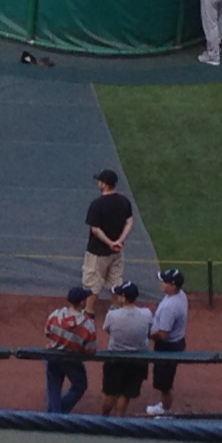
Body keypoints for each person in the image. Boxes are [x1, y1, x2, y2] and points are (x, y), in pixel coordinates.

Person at [98, 281, 153, 417]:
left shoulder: (112, 315)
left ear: (123, 297)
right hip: (137, 360)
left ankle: (103, 419)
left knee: (110, 392)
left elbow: (107, 329)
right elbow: (149, 330)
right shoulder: (146, 313)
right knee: (124, 394)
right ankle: (119, 421)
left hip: (115, 360)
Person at [82, 169, 134, 312]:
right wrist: (119, 241)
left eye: (100, 181)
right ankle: (116, 308)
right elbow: (129, 222)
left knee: (92, 282)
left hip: (97, 252)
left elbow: (95, 229)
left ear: (104, 184)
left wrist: (110, 243)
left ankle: (89, 311)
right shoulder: (124, 201)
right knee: (116, 281)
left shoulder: (97, 204)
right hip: (117, 251)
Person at [43, 286, 95, 414]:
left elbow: (47, 332)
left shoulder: (55, 315)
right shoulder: (87, 324)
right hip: (72, 360)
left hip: (53, 356)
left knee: (54, 387)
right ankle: (59, 411)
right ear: (82, 302)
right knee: (80, 385)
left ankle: (54, 414)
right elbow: (90, 349)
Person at [146, 268, 187, 416]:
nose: (161, 283)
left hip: (168, 347)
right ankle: (164, 405)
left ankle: (166, 411)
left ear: (173, 286)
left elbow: (163, 334)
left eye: (165, 282)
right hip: (176, 342)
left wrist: (148, 334)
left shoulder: (170, 307)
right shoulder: (180, 295)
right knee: (165, 379)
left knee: (165, 384)